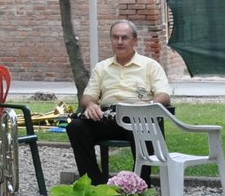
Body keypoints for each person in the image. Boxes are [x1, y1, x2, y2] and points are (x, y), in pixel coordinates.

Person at [66, 19, 171, 184]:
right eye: (115, 38)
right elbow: (88, 96)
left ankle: (140, 185)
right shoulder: (101, 67)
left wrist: (147, 105)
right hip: (107, 117)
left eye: (125, 38)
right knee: (76, 127)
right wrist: (91, 105)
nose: (119, 42)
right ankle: (95, 184)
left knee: (143, 125)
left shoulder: (150, 66)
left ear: (135, 40)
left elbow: (164, 95)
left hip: (137, 117)